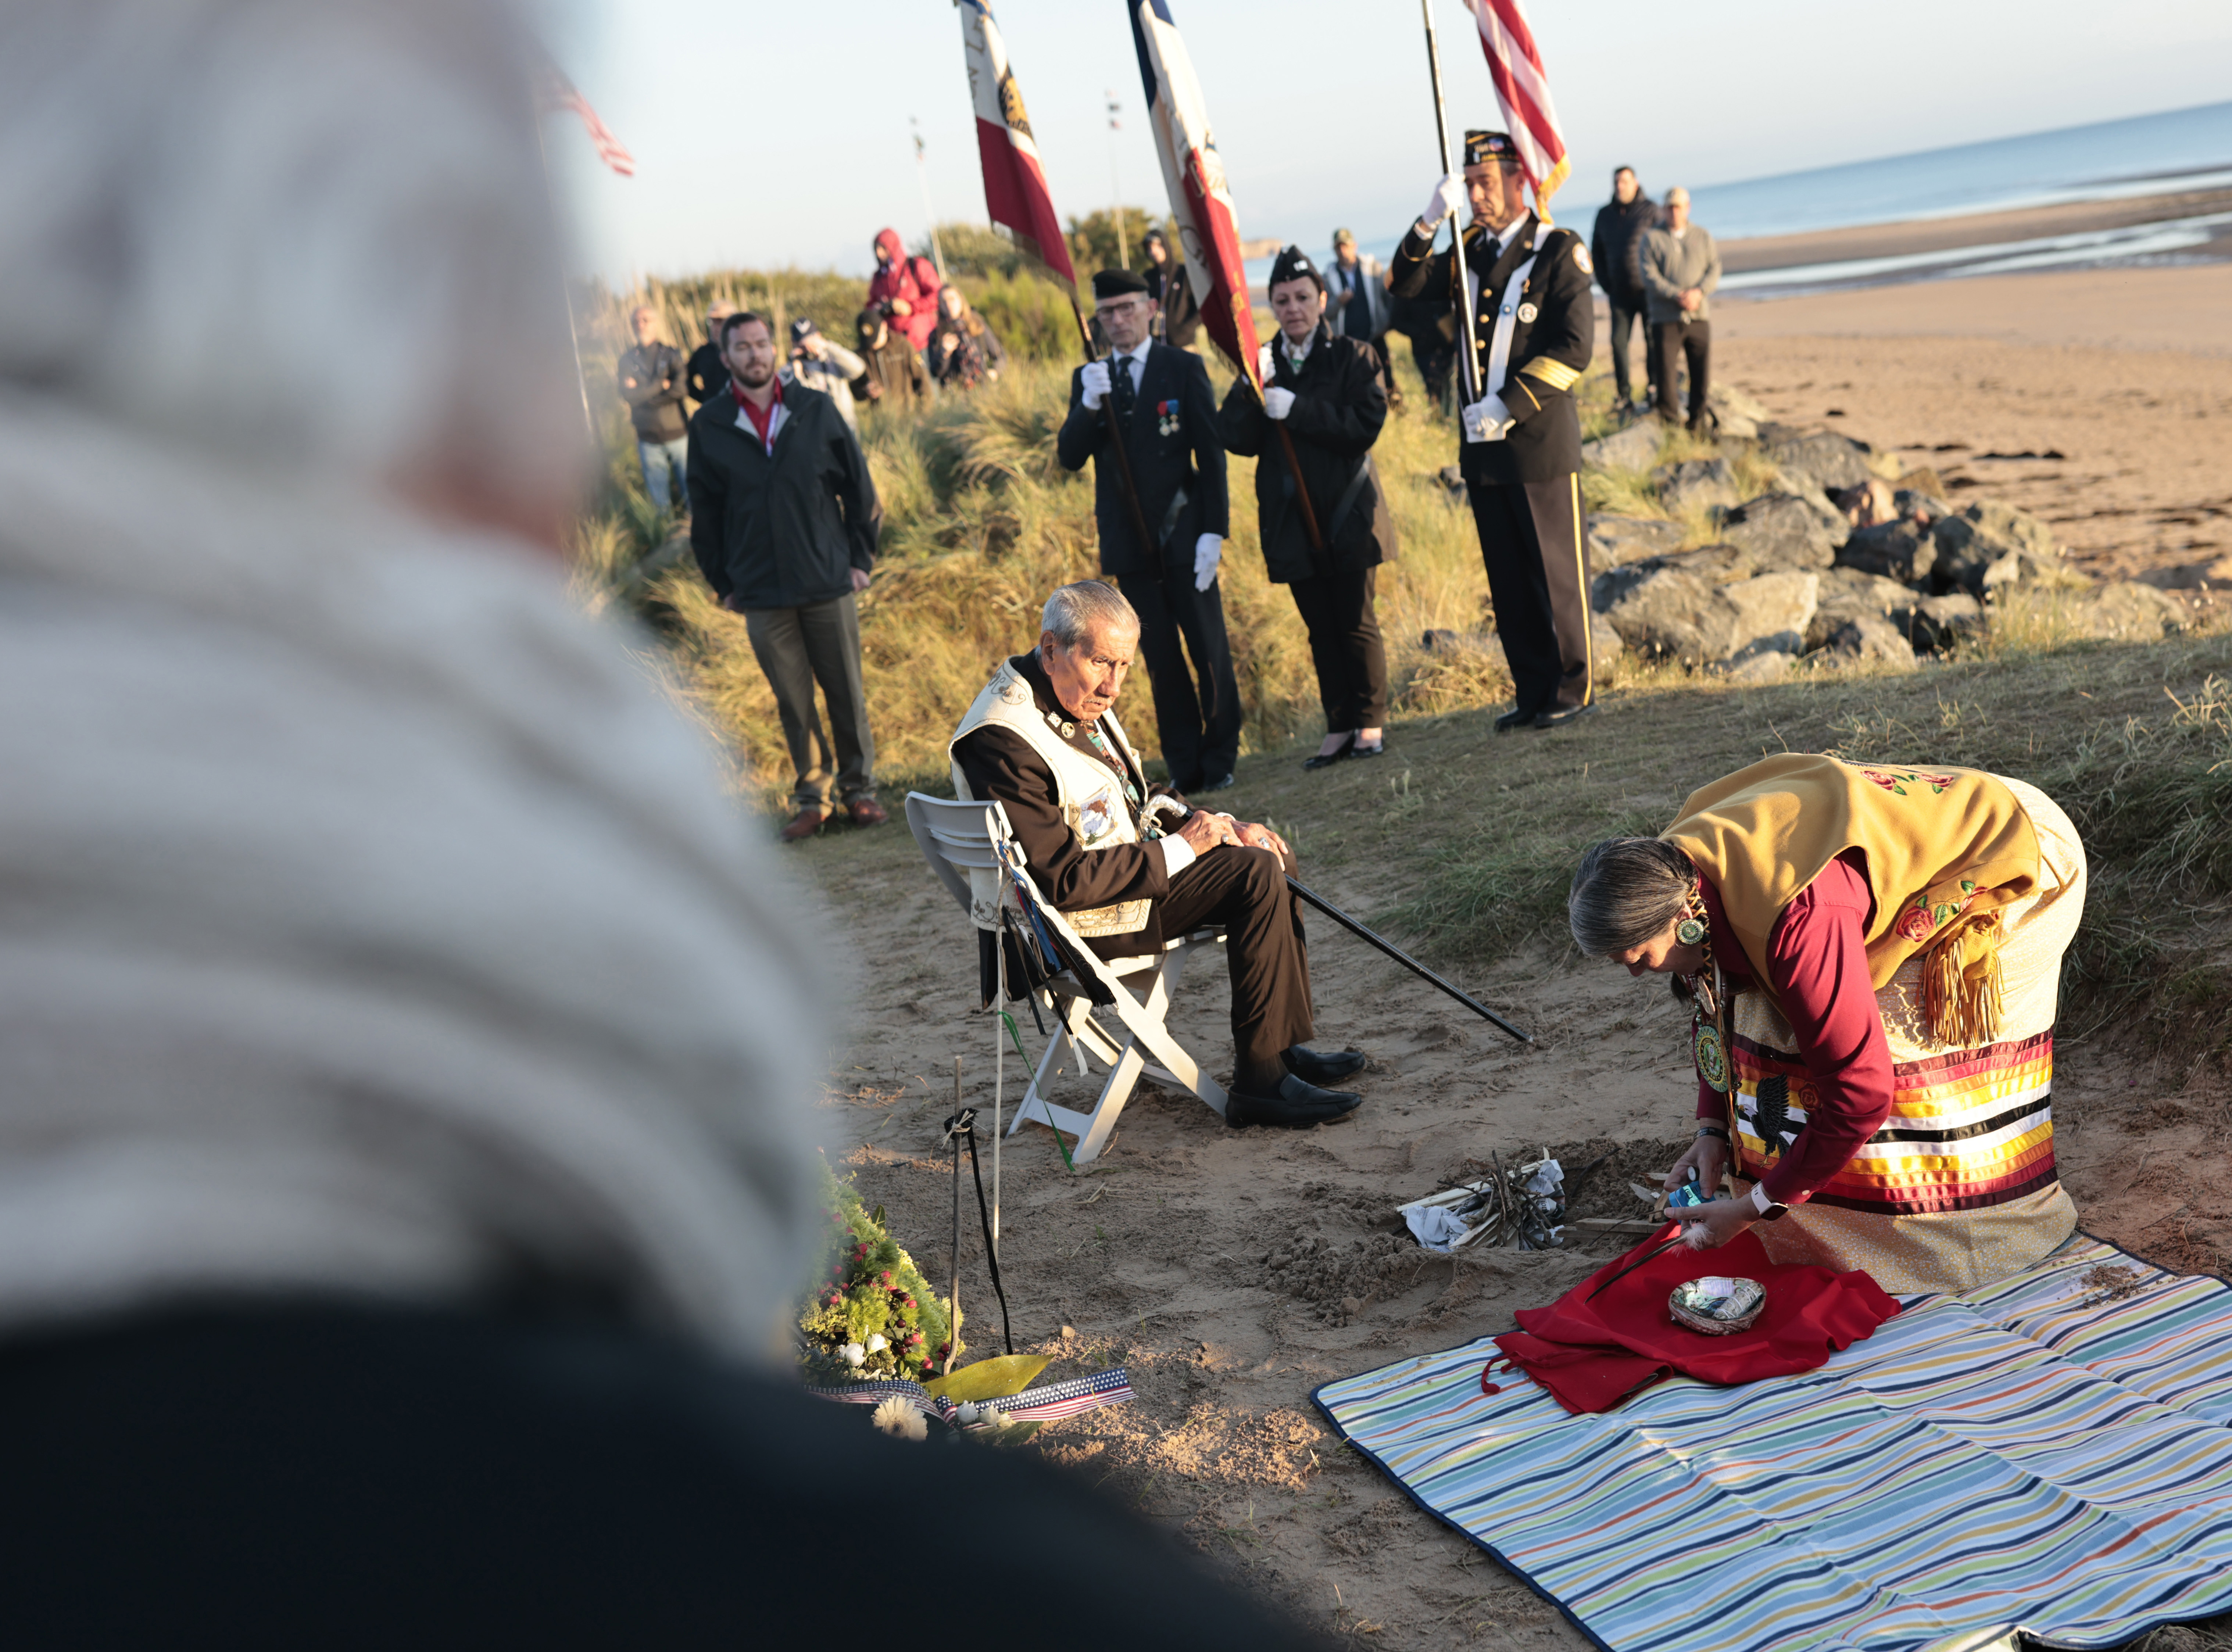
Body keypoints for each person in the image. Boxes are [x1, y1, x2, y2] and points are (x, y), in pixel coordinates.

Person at [0, 3, 1324, 1645]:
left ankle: (1270, 1051)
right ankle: (1267, 1070)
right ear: (487, 457)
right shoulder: (919, 1584)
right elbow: (1058, 857)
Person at [1566, 754, 2088, 1294]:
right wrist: (1711, 1130)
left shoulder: (1794, 918)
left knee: (1886, 1027)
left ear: (1682, 917)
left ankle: (1944, 1239)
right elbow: (1713, 989)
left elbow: (1861, 1094)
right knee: (1772, 1006)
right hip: (1890, 839)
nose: (1633, 973)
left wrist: (1753, 1207)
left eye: (1638, 957)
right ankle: (1809, 1218)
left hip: (2012, 842)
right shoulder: (1672, 872)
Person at [952, 584, 1365, 1127]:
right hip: (1066, 926)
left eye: (1124, 665)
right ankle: (1260, 1083)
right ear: (1050, 648)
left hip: (1113, 880)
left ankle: (1280, 1047)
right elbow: (1061, 881)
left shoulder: (1066, 691)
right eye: (1101, 662)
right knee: (1255, 873)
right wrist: (1182, 846)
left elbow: (1137, 794)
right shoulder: (1003, 738)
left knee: (1262, 849)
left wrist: (1218, 826)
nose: (1113, 685)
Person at [1390, 129, 1596, 733]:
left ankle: (1572, 686)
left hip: (1537, 441)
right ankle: (1532, 689)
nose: (1475, 196)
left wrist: (1509, 404)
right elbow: (1402, 290)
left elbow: (1575, 347)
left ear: (1517, 180)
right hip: (1482, 450)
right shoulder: (1464, 247)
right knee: (1507, 578)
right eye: (1468, 184)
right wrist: (1430, 219)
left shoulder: (1558, 249)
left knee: (1553, 575)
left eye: (1485, 183)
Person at [686, 312, 885, 839]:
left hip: (826, 578)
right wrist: (722, 581)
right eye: (742, 348)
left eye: (761, 344)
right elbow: (703, 515)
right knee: (793, 701)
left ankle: (859, 790)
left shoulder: (813, 408)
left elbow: (860, 491)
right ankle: (812, 798)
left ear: (774, 350)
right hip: (760, 589)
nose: (754, 354)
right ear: (724, 357)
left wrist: (860, 559)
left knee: (845, 690)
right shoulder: (708, 424)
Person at [1056, 268, 1239, 793]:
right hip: (1130, 545)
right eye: (1107, 313)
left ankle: (1220, 753)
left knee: (1208, 649)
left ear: (1151, 308)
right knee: (1157, 658)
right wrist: (1087, 406)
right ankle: (1185, 763)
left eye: (1127, 308)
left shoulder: (1181, 367)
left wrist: (1214, 531)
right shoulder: (1089, 377)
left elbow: (1210, 455)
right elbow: (1069, 457)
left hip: (1184, 534)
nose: (1117, 321)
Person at [1219, 247, 1396, 770]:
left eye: (1302, 297)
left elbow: (1364, 424)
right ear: (1270, 305)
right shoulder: (1262, 364)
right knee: (1318, 625)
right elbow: (1234, 435)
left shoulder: (1353, 355)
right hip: (1290, 518)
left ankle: (1369, 720)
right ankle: (1338, 723)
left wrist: (1299, 409)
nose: (1292, 307)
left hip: (1347, 511)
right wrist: (1257, 396)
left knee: (1355, 619)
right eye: (1281, 300)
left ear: (1321, 300)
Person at [1637, 186, 1721, 430]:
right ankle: (1670, 424)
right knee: (1665, 373)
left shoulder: (1702, 236)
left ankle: (1697, 423)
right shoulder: (1652, 239)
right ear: (1663, 210)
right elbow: (1648, 274)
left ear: (1687, 208)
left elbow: (1714, 269)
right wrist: (1676, 295)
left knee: (1701, 373)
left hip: (1698, 315)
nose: (1674, 213)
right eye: (1669, 208)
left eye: (1678, 208)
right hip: (1665, 318)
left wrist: (1698, 293)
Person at [1589, 167, 1658, 416]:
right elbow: (1595, 250)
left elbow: (1662, 245)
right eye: (1617, 181)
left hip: (1647, 291)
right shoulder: (1604, 215)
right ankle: (1623, 395)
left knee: (1653, 340)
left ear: (1635, 183)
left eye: (1625, 181)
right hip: (1618, 293)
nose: (1621, 186)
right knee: (1618, 343)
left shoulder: (1650, 210)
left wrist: (1657, 281)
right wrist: (1605, 283)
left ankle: (1654, 389)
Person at [616, 303, 690, 510]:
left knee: (692, 495)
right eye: (635, 321)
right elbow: (628, 396)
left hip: (679, 436)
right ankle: (664, 535)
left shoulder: (672, 355)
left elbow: (680, 390)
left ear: (655, 324)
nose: (640, 325)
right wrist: (660, 385)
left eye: (645, 320)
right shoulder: (627, 360)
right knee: (660, 504)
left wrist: (644, 396)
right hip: (648, 438)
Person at [1323, 229, 1398, 404]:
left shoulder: (1372, 268)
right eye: (1339, 247)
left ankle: (1395, 409)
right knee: (1356, 383)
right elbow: (1324, 312)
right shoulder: (1328, 277)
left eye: (1346, 246)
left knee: (1386, 377)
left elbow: (1388, 296)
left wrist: (1387, 322)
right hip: (1348, 342)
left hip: (1375, 337)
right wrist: (1339, 301)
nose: (1343, 251)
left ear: (1355, 247)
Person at [866, 229, 941, 354]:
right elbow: (870, 305)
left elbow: (938, 296)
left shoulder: (916, 266)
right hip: (894, 347)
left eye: (883, 248)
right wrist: (877, 309)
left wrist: (910, 307)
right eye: (876, 250)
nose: (879, 254)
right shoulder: (878, 277)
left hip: (922, 343)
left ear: (893, 246)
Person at [786, 315, 868, 427]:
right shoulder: (794, 367)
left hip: (846, 424)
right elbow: (792, 397)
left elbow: (858, 368)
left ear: (819, 336)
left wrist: (827, 346)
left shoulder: (832, 357)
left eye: (812, 340)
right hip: (816, 428)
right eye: (803, 344)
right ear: (794, 344)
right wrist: (795, 366)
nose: (809, 347)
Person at [926, 285, 1006, 391]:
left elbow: (1000, 355)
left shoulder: (976, 325)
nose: (948, 304)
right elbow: (935, 373)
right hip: (956, 395)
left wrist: (995, 372)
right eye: (943, 301)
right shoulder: (937, 335)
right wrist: (943, 354)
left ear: (961, 301)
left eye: (952, 299)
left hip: (982, 390)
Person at [854, 304, 929, 415]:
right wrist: (866, 392)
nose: (872, 344)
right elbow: (855, 390)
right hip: (881, 419)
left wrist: (924, 414)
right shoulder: (860, 355)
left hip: (909, 416)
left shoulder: (903, 346)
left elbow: (923, 381)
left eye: (875, 337)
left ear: (884, 326)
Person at [1141, 227, 1203, 349]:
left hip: (1185, 346)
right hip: (1158, 348)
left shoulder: (1184, 274)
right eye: (1149, 248)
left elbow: (1201, 308)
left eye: (1158, 246)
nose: (1154, 252)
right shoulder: (1147, 278)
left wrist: (1184, 332)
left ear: (1166, 245)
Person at [686, 297, 734, 405]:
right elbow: (685, 378)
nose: (716, 327)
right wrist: (705, 400)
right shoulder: (702, 353)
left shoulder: (744, 350)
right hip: (714, 415)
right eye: (712, 322)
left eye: (721, 321)